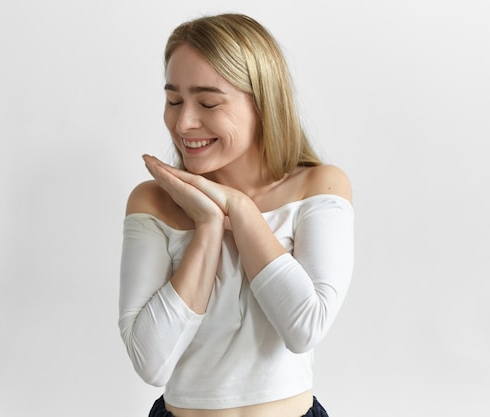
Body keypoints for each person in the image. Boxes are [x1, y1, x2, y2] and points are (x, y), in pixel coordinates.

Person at [119, 13, 354, 417]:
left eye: (208, 102)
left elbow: (304, 328)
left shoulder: (319, 187)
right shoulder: (152, 201)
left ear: (263, 102)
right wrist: (208, 226)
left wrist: (240, 209)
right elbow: (151, 362)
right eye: (173, 100)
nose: (183, 121)